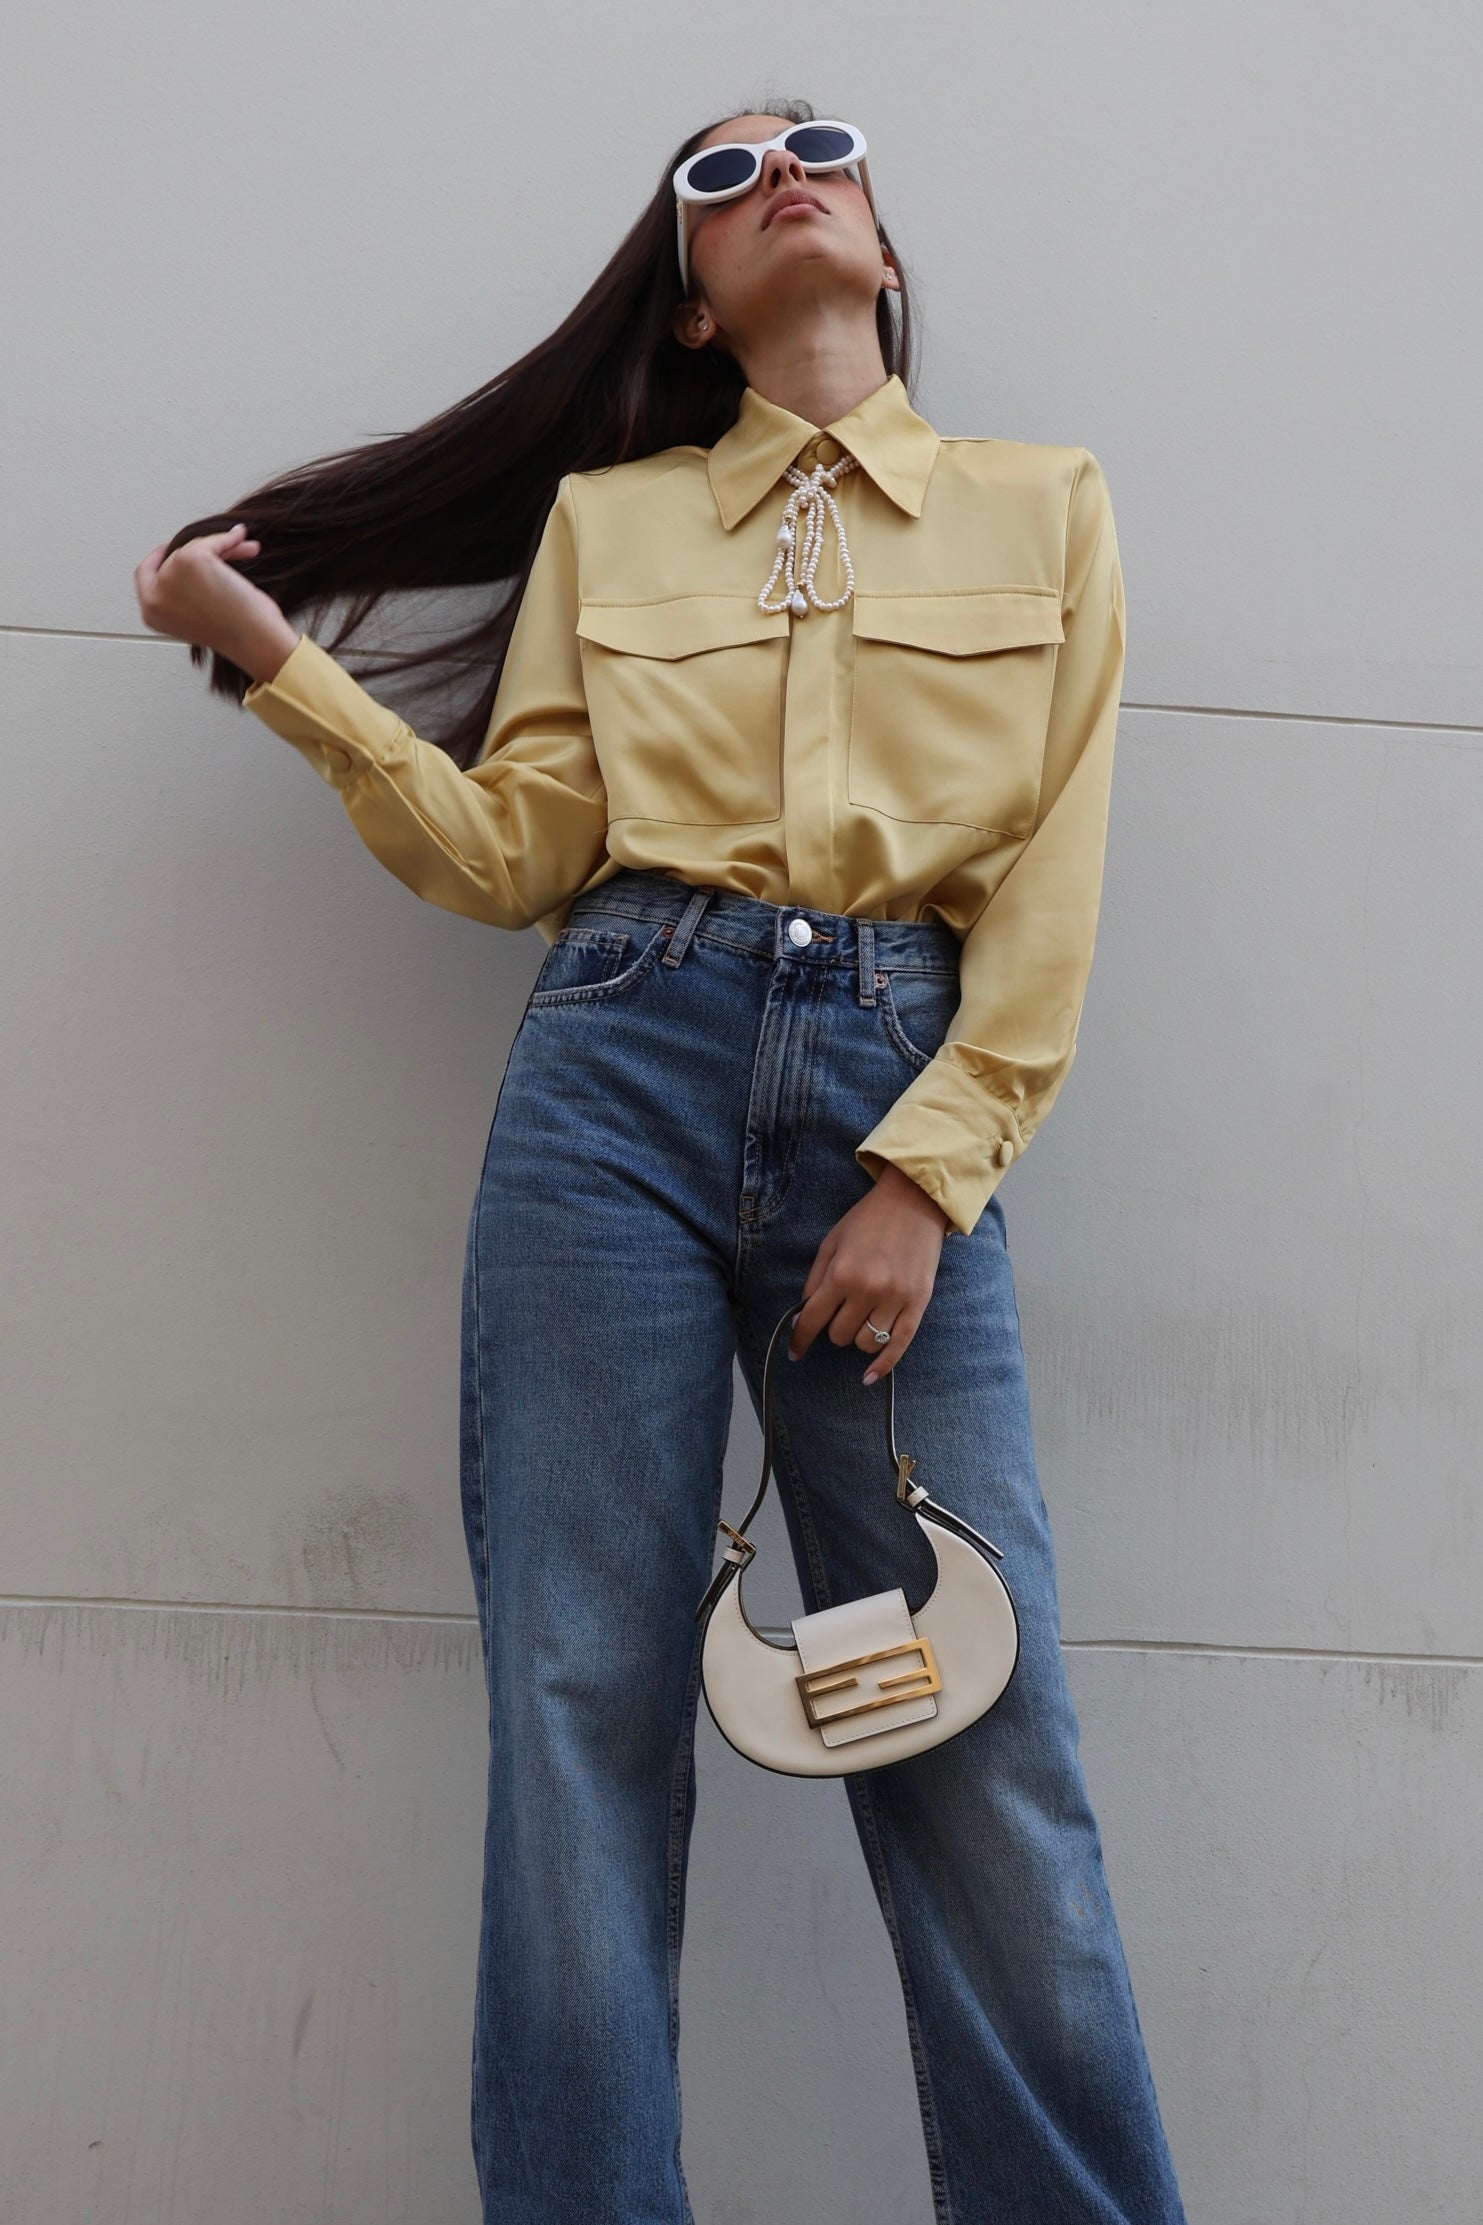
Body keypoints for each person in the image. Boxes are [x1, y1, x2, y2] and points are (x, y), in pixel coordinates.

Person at [135, 100, 1188, 2225]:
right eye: (720, 177)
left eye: (820, 150)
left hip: (895, 1087)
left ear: (884, 244)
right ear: (692, 308)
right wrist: (284, 671)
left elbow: (1050, 881)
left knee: (984, 1735)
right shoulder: (613, 531)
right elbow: (518, 853)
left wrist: (930, 1173)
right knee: (578, 1713)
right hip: (614, 1072)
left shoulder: (1045, 506)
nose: (778, 175)